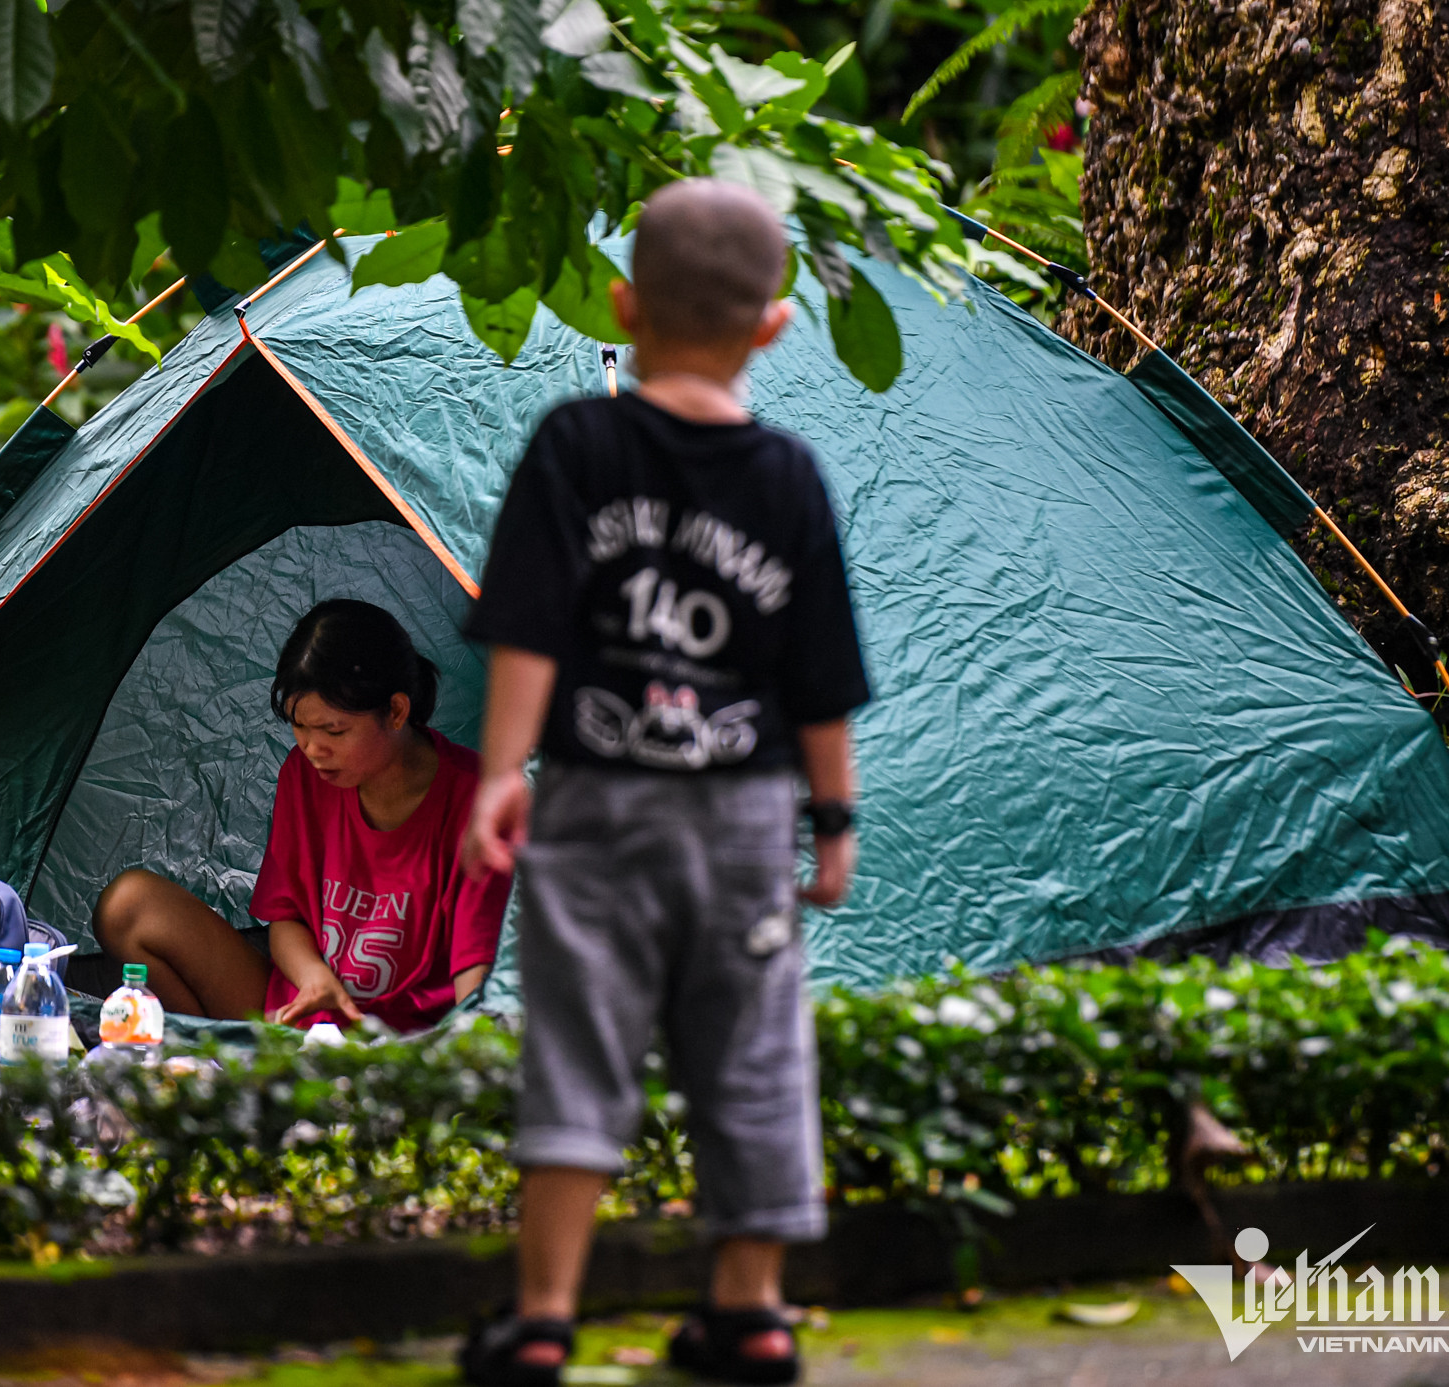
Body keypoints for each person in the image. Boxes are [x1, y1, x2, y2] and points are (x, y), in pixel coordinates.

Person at [456, 179, 871, 1387]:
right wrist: (832, 820)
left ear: (623, 306)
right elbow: (821, 681)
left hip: (594, 800)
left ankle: (544, 1316)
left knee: (576, 1044)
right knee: (752, 1049)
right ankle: (751, 1312)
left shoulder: (575, 445)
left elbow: (528, 632)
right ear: (773, 326)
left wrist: (500, 773)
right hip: (744, 819)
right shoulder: (789, 475)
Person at [94, 599, 509, 1034]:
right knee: (127, 907)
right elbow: (286, 917)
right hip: (298, 1020)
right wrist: (313, 978)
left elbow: (476, 977)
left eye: (334, 731)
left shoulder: (477, 801)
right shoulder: (304, 773)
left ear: (396, 712)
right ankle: (210, 1063)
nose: (313, 749)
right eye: (299, 726)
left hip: (405, 1047)